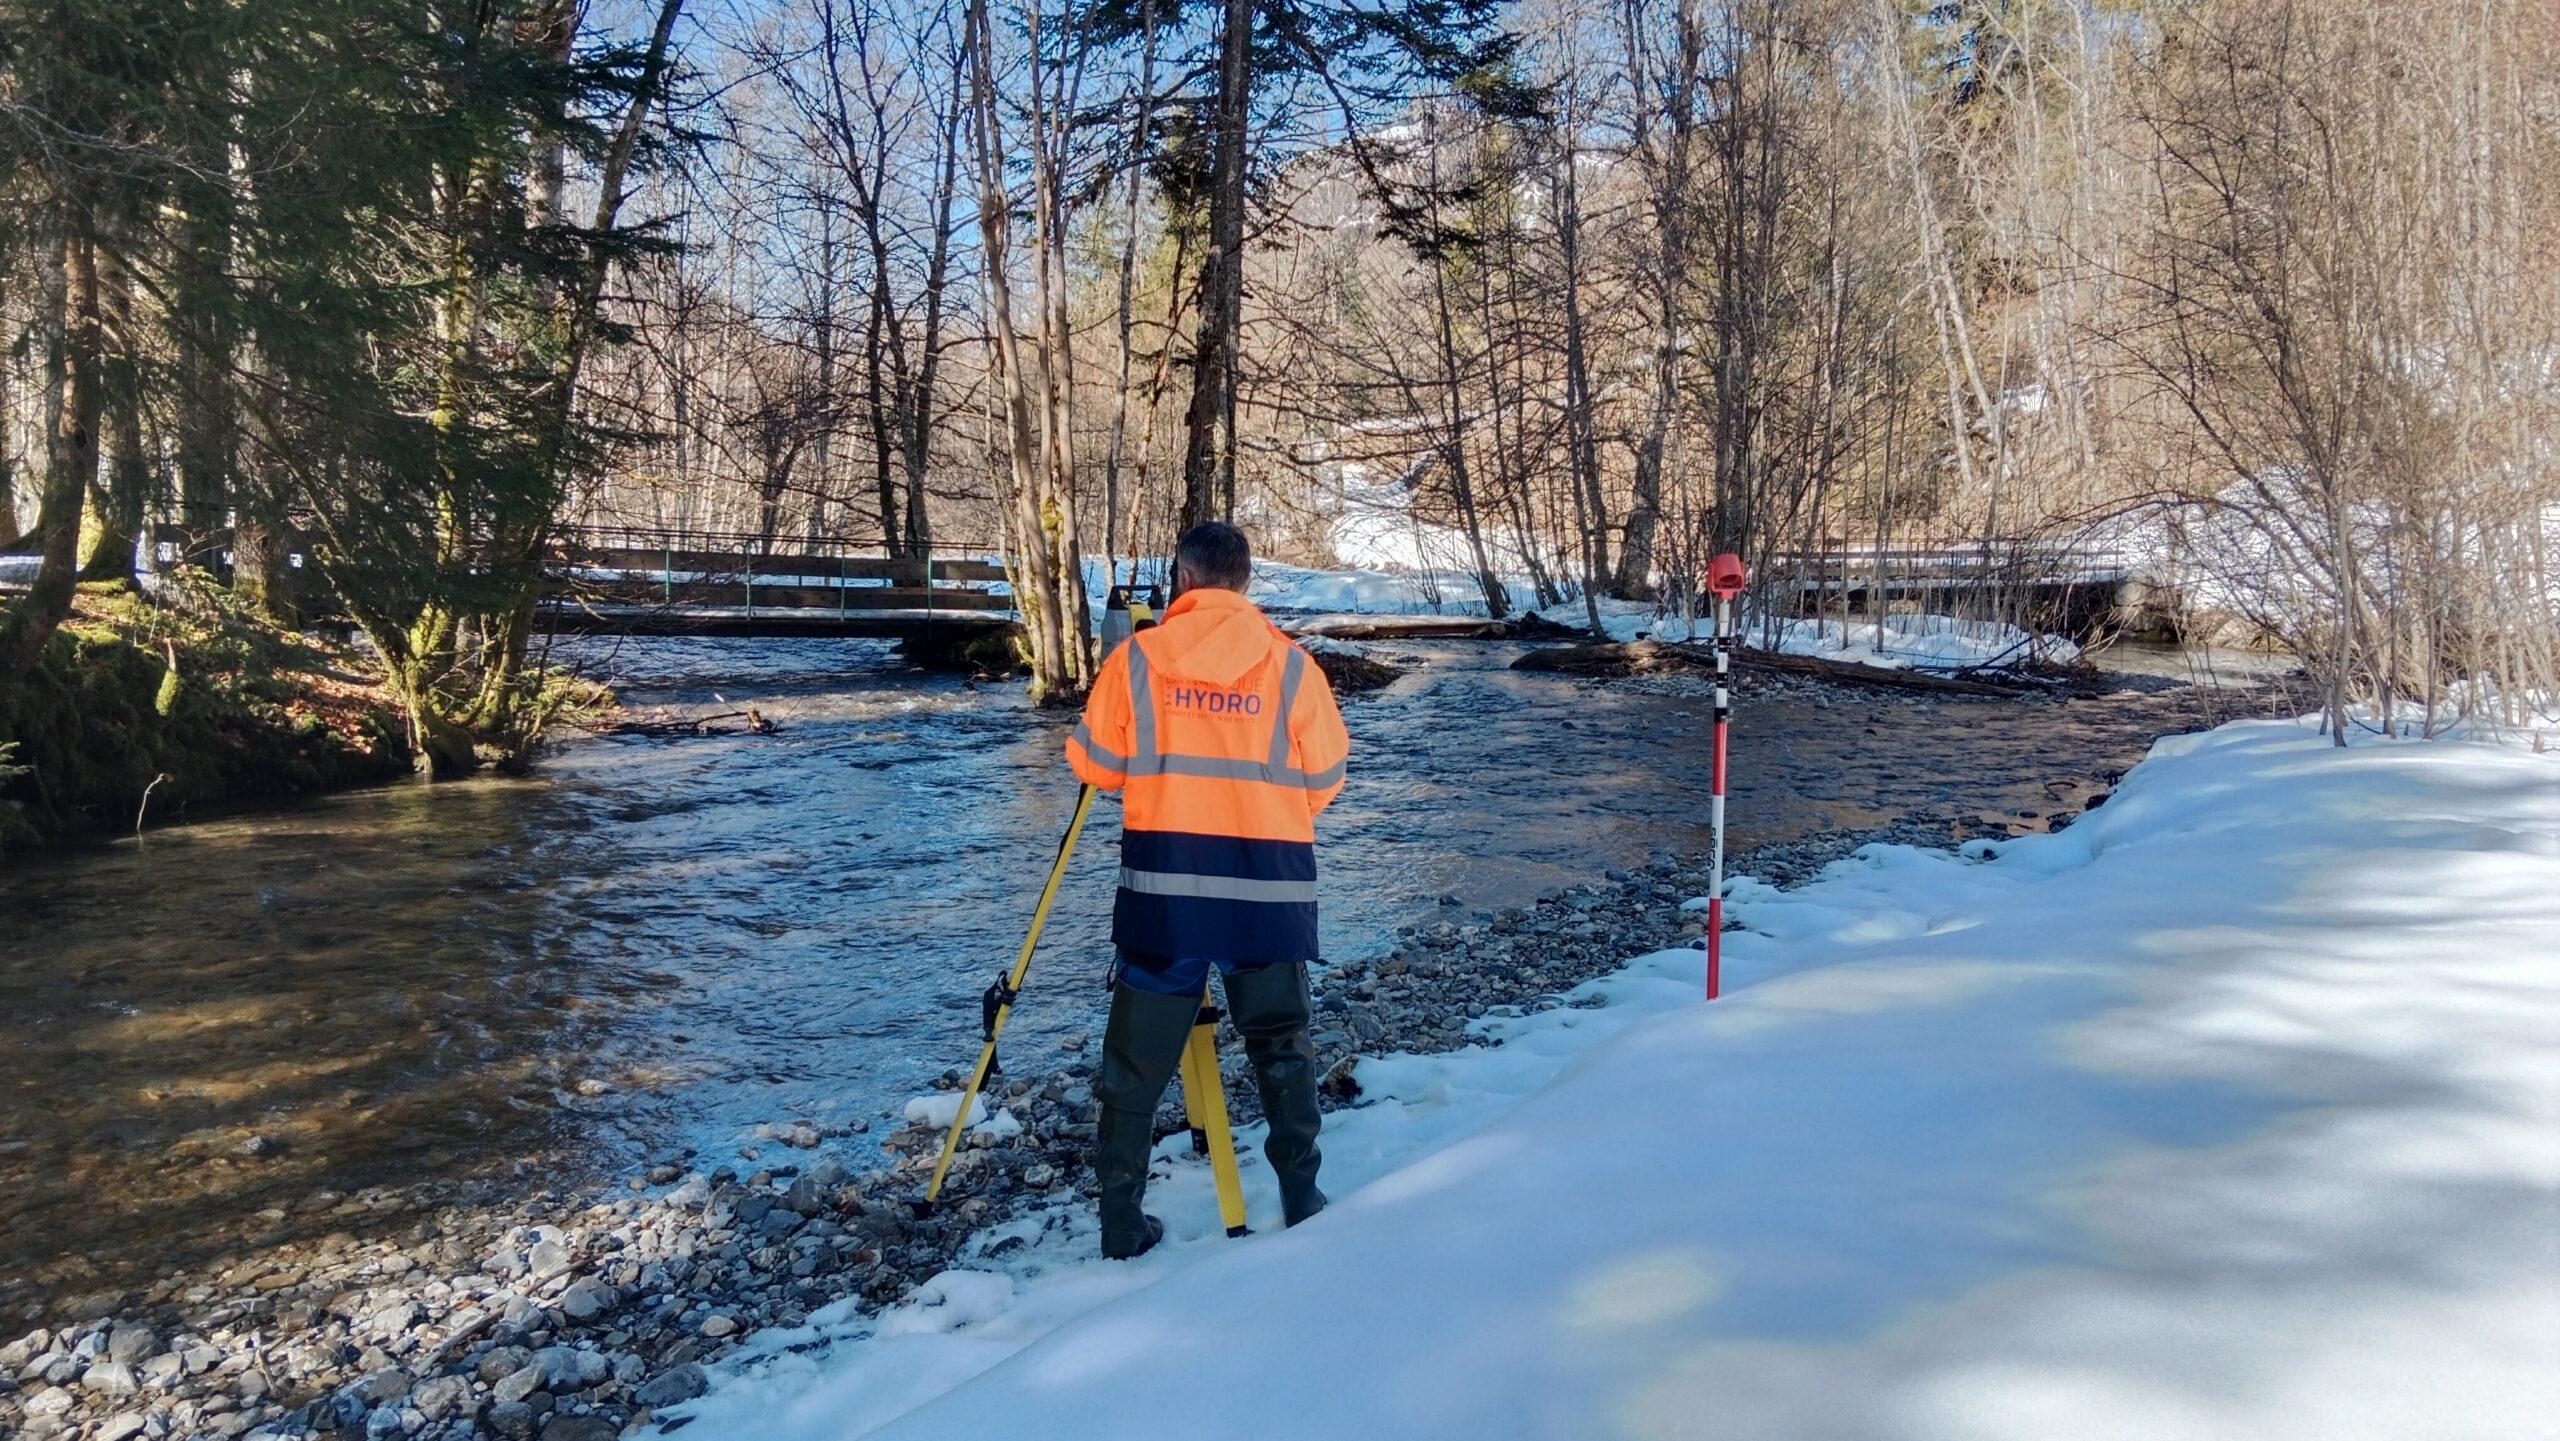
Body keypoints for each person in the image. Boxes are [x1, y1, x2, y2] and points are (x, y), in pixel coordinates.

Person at [1066, 521, 1350, 1259]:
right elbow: (1326, 779)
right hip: (1267, 892)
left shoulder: (1136, 658)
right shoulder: (1292, 666)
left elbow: (1095, 766)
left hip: (1165, 896)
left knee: (1134, 1068)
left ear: (1182, 579)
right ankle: (1302, 1195)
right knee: (1282, 1047)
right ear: (1245, 581)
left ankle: (1121, 1225)